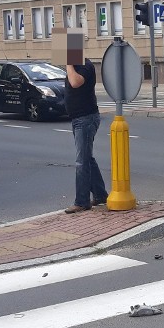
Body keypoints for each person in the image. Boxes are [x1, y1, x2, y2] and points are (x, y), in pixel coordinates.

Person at [64, 58, 108, 213]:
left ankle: (82, 201)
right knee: (87, 158)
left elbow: (76, 83)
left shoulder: (84, 65)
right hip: (78, 118)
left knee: (82, 161)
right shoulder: (76, 66)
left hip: (86, 118)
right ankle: (100, 194)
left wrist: (69, 63)